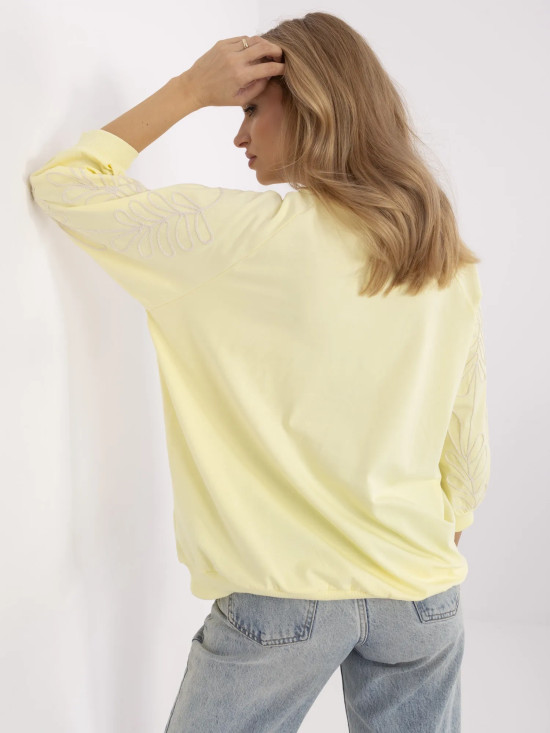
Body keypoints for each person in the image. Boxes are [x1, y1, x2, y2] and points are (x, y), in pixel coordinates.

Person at [28, 11, 490, 733]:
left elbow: (66, 185)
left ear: (312, 107)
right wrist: (432, 535)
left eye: (250, 109)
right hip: (423, 594)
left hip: (284, 596)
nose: (239, 135)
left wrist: (190, 89)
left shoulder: (234, 239)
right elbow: (465, 447)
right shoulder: (441, 255)